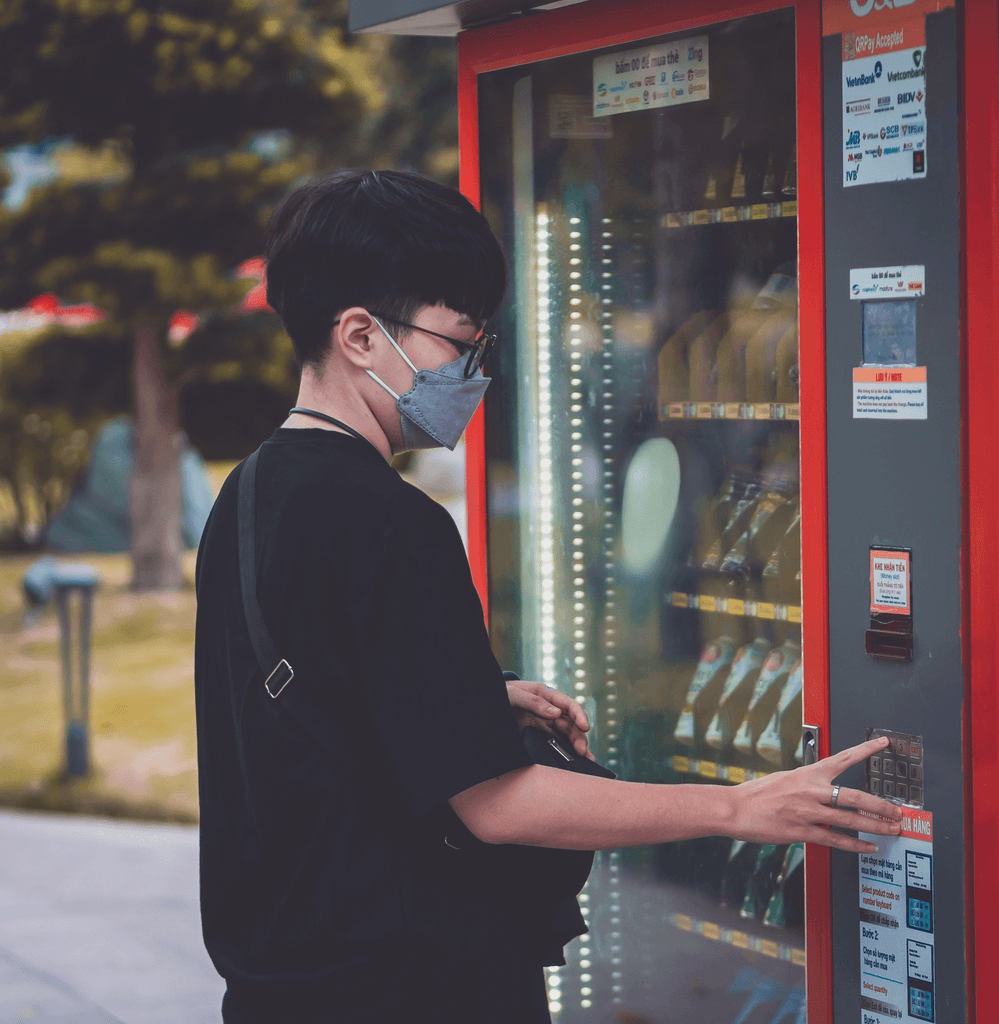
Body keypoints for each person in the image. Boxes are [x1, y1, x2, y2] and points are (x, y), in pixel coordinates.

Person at [194, 169, 901, 1024]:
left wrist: (467, 697)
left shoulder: (252, 490)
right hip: (408, 990)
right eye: (459, 343)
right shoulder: (393, 521)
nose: (474, 370)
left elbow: (296, 701)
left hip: (279, 990)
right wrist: (739, 805)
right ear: (358, 336)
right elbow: (497, 805)